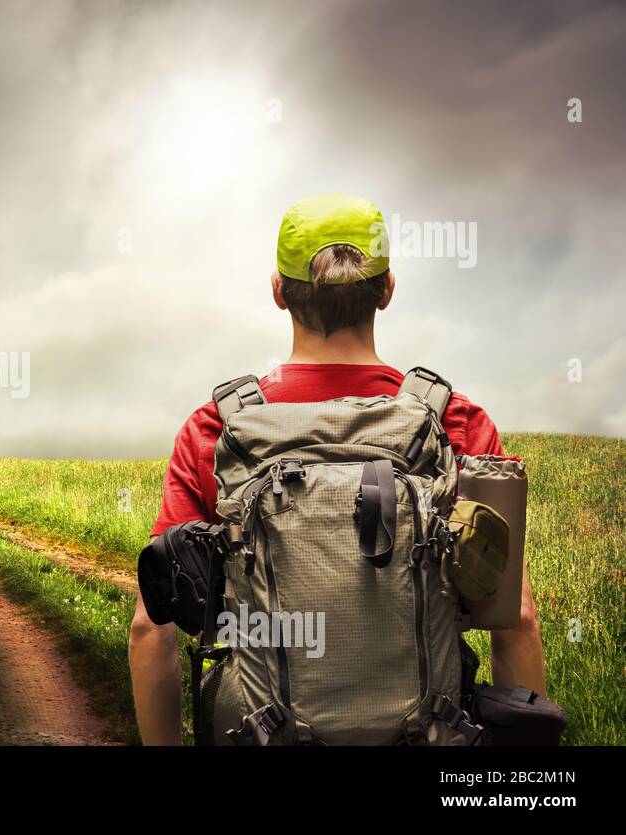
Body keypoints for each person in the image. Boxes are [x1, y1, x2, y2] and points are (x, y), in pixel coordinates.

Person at [129, 193, 547, 745]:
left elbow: (150, 629)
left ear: (278, 291)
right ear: (387, 289)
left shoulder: (217, 428)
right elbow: (514, 618)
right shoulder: (456, 422)